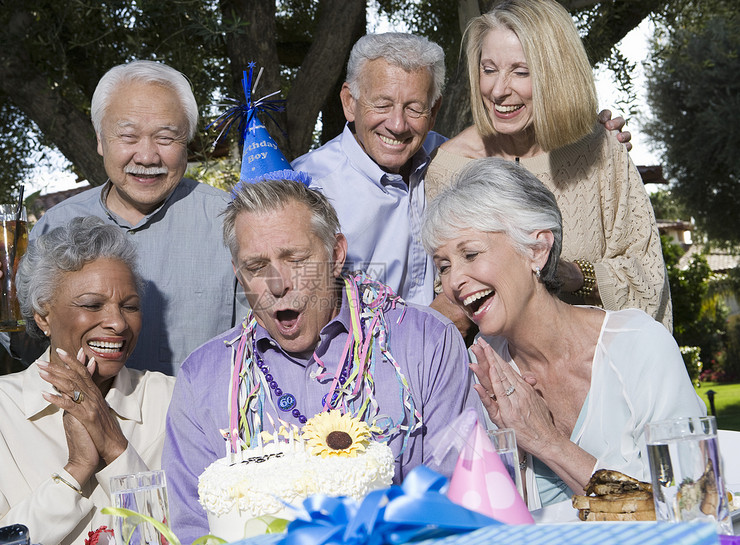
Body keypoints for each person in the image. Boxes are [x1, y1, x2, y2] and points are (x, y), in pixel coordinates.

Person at [163, 178, 477, 545]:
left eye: (295, 259)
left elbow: (460, 491)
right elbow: (194, 537)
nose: (277, 284)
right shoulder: (202, 380)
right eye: (256, 266)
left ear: (336, 254)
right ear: (238, 271)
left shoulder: (425, 342)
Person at [292, 32, 630, 331]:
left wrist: (592, 140)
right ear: (350, 102)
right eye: (382, 104)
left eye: (414, 108)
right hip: (353, 383)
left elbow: (528, 154)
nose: (397, 124)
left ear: (434, 110)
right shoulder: (305, 189)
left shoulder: (452, 161)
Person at [423, 158, 705, 509]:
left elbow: (689, 504)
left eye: (471, 253)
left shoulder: (640, 346)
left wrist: (545, 440)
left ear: (537, 250)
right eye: (444, 265)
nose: (453, 282)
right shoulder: (479, 371)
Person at [0, 217, 175, 545]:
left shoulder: (170, 399)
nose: (118, 323)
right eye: (92, 305)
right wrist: (74, 473)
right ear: (43, 316)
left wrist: (114, 446)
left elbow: (192, 542)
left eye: (130, 306)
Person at [0, 60, 246, 376]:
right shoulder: (54, 227)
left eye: (165, 138)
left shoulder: (232, 223)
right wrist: (4, 296)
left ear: (187, 142)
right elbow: (33, 350)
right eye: (128, 137)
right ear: (101, 139)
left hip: (202, 421)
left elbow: (260, 346)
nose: (146, 156)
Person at [425, 0, 671, 330]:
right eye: (489, 69)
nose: (498, 90)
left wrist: (573, 274)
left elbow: (650, 280)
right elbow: (449, 297)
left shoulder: (602, 150)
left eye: (520, 71)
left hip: (602, 360)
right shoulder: (449, 169)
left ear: (555, 75)